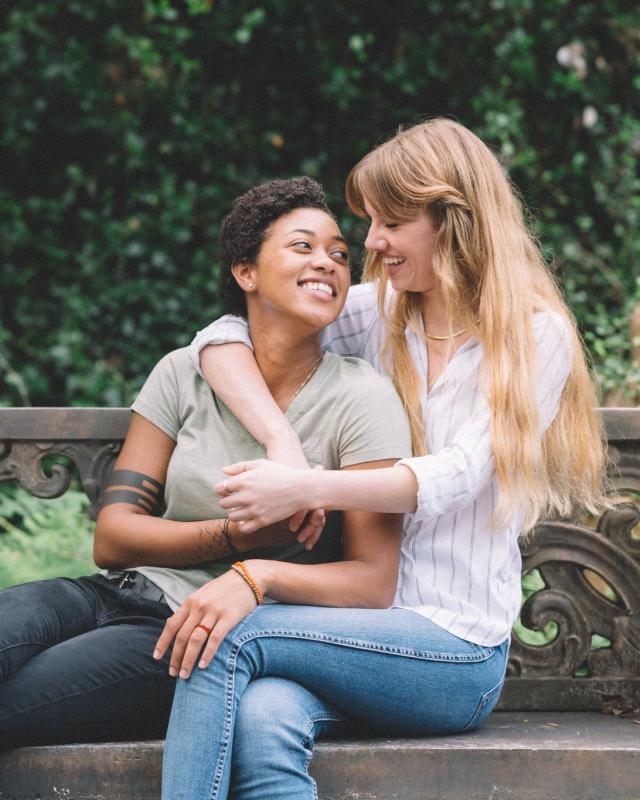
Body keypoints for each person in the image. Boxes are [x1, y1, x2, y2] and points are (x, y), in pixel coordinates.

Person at [160, 118, 606, 800]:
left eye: (391, 222)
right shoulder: (379, 311)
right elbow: (225, 333)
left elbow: (458, 476)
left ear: (452, 220)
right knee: (262, 717)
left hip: (453, 651)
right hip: (349, 628)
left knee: (225, 638)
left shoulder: (533, 337)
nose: (370, 243)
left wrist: (300, 490)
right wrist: (282, 442)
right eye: (370, 221)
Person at [0, 177, 411, 749]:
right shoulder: (184, 372)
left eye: (341, 254)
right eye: (303, 246)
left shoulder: (360, 399)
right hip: (111, 591)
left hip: (191, 634)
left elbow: (372, 582)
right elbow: (114, 538)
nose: (329, 262)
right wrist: (236, 535)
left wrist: (253, 570)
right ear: (246, 273)